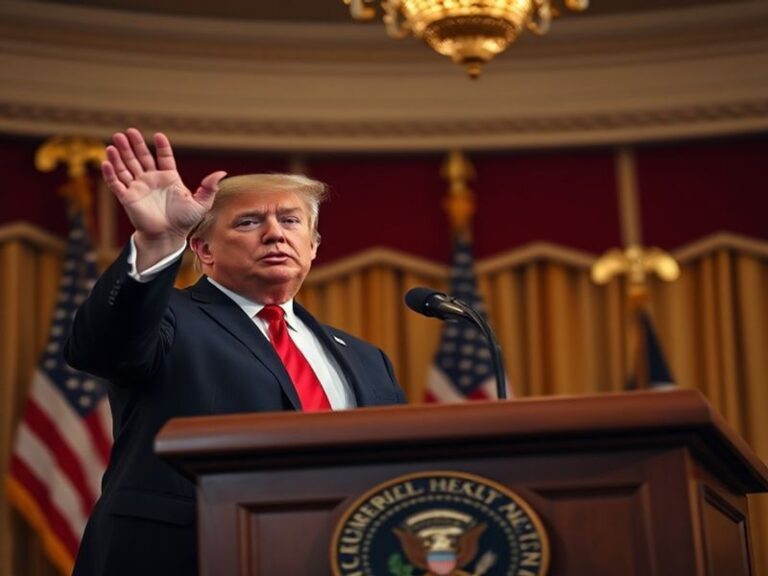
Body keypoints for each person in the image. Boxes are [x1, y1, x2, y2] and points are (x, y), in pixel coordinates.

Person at [64, 128, 406, 576]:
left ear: (314, 247)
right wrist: (158, 243)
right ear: (203, 250)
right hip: (187, 558)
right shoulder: (166, 317)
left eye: (290, 220)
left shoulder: (367, 358)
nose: (273, 234)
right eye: (248, 222)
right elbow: (101, 349)